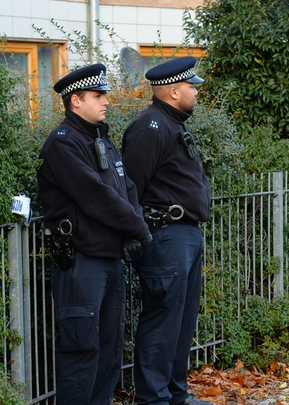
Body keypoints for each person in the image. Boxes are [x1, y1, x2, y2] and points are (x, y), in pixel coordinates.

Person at [37, 63, 152, 405]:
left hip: (109, 259)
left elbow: (127, 188)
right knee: (80, 351)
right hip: (82, 263)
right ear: (75, 101)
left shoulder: (101, 138)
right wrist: (138, 228)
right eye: (98, 96)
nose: (106, 102)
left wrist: (133, 228)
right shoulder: (63, 144)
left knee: (108, 352)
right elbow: (95, 197)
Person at [122, 56, 212, 405]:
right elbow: (132, 188)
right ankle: (154, 398)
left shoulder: (173, 124)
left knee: (181, 322)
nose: (195, 92)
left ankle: (176, 394)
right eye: (192, 87)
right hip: (164, 236)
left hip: (184, 235)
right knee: (162, 322)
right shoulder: (151, 127)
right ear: (174, 91)